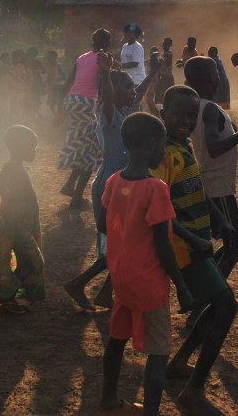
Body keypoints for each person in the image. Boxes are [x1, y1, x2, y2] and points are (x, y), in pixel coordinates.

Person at [98, 112, 192, 416]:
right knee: (158, 352)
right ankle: (151, 412)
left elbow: (102, 222)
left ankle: (108, 401)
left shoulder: (114, 181)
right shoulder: (156, 189)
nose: (164, 152)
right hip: (150, 283)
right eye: (162, 145)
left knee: (116, 339)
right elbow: (164, 246)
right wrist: (182, 286)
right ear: (151, 144)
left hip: (122, 279)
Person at [151, 85, 238, 414]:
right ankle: (193, 391)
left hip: (197, 244)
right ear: (163, 114)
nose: (186, 121)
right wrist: (192, 239)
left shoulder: (183, 147)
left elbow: (199, 191)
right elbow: (157, 210)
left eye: (192, 116)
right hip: (183, 247)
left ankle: (180, 364)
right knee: (226, 306)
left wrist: (220, 221)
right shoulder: (163, 156)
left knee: (220, 304)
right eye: (178, 115)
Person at [64, 52, 155, 311]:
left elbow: (139, 94)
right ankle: (78, 284)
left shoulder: (127, 110)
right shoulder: (109, 115)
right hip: (110, 182)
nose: (133, 91)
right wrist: (105, 72)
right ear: (112, 91)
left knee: (126, 241)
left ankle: (103, 293)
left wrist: (152, 73)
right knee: (119, 243)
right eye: (127, 86)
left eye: (132, 86)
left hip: (122, 180)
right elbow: (107, 100)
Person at [183, 56, 238, 279]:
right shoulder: (209, 108)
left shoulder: (198, 107)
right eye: (217, 72)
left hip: (213, 184)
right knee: (234, 244)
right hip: (218, 186)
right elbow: (214, 148)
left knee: (232, 242)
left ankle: (207, 285)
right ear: (212, 78)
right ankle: (212, 294)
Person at [0, 126, 46, 314]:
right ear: (21, 149)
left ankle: (7, 295)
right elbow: (6, 198)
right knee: (32, 261)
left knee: (28, 260)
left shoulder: (14, 167)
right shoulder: (14, 170)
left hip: (21, 222)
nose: (35, 151)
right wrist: (17, 224)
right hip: (19, 224)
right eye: (32, 147)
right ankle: (6, 295)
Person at [57, 29, 111, 208]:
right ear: (108, 43)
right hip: (85, 103)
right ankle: (77, 197)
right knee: (91, 152)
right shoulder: (103, 57)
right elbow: (104, 83)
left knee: (84, 146)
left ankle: (69, 185)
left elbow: (67, 82)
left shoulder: (82, 57)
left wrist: (59, 109)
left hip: (71, 102)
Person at [119, 23, 146, 87]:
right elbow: (123, 59)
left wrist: (120, 65)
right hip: (127, 79)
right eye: (126, 32)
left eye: (131, 33)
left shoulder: (137, 47)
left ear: (136, 35)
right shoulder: (124, 46)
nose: (128, 34)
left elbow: (135, 63)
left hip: (137, 80)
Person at [207, 46, 230, 111]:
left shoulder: (214, 60)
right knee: (220, 101)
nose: (209, 53)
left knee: (218, 100)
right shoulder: (217, 59)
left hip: (220, 82)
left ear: (216, 53)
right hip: (222, 81)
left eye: (211, 52)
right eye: (209, 52)